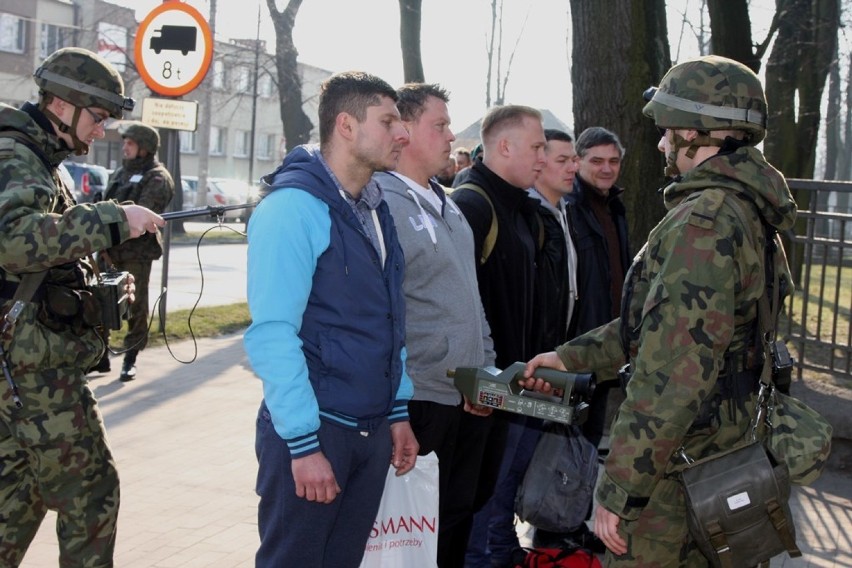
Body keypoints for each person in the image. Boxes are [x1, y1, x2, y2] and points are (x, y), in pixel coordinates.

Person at [523, 55, 796, 567]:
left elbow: (673, 372)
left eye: (670, 131)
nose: (662, 142)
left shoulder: (705, 222)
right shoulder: (748, 208)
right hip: (723, 445)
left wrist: (622, 486)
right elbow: (657, 327)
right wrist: (569, 357)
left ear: (701, 133)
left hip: (677, 469)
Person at [244, 71, 419, 568]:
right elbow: (273, 333)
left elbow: (389, 318)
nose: (401, 133)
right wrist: (302, 444)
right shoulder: (292, 209)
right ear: (346, 124)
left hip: (369, 428)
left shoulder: (376, 208)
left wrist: (397, 410)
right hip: (315, 433)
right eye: (388, 121)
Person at [0, 47, 165, 567]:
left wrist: (102, 289)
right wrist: (114, 216)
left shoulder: (45, 161)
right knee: (91, 494)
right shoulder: (15, 156)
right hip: (33, 372)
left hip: (26, 364)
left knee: (18, 498)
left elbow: (50, 255)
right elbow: (14, 240)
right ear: (64, 104)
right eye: (98, 117)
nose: (104, 131)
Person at [374, 83, 496, 568]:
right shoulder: (381, 204)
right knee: (411, 535)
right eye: (440, 125)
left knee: (454, 521)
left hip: (467, 398)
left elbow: (471, 299)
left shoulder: (449, 204)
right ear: (403, 132)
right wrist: (395, 406)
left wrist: (484, 373)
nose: (450, 136)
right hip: (420, 399)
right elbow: (384, 313)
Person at [449, 105, 546, 567]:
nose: (543, 158)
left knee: (494, 504)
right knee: (473, 518)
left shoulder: (523, 209)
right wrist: (480, 383)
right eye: (537, 147)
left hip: (512, 389)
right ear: (504, 147)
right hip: (479, 395)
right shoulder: (471, 205)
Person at [482, 128, 584, 566]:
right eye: (549, 154)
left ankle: (502, 550)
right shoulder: (488, 208)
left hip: (540, 369)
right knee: (500, 479)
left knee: (518, 472)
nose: (567, 166)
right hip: (515, 374)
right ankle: (492, 554)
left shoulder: (556, 217)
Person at [94, 121, 174, 381]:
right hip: (108, 250)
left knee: (135, 305)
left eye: (130, 143)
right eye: (124, 143)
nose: (124, 148)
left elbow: (142, 214)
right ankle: (100, 356)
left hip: (135, 254)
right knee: (100, 302)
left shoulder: (157, 177)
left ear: (145, 148)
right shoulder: (120, 173)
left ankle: (130, 357)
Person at [567, 126, 630, 449]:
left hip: (608, 336)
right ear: (577, 162)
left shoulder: (615, 206)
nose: (606, 168)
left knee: (591, 435)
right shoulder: (569, 208)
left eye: (613, 161)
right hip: (577, 339)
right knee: (568, 437)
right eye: (597, 161)